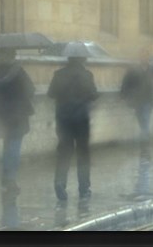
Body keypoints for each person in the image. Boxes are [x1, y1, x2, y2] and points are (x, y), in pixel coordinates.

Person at [47, 42, 98, 201]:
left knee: (64, 152)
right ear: (83, 58)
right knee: (83, 154)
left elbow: (51, 94)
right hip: (82, 119)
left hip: (63, 119)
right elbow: (93, 95)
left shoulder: (58, 74)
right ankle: (84, 189)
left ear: (68, 57)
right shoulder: (87, 75)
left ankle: (60, 183)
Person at [0, 48, 35, 194]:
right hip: (17, 116)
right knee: (14, 149)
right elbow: (30, 89)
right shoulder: (18, 72)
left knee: (7, 147)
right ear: (11, 56)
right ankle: (10, 180)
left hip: (1, 117)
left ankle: (5, 178)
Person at [120, 47, 153, 141]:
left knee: (145, 118)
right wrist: (123, 95)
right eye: (142, 55)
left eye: (146, 55)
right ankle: (144, 135)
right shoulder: (133, 69)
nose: (144, 57)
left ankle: (145, 141)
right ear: (139, 57)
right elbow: (126, 82)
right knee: (141, 119)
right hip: (137, 100)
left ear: (148, 57)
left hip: (148, 100)